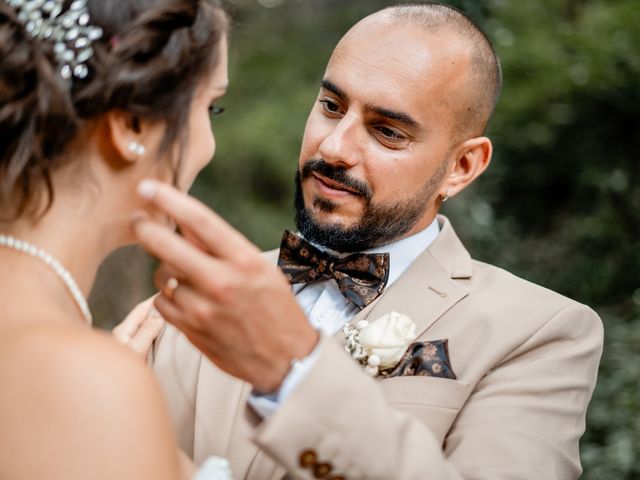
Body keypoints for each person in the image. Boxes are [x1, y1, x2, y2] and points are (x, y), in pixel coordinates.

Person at [127, 3, 603, 480]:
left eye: (387, 132)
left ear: (462, 168)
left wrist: (293, 374)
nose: (334, 147)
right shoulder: (193, 294)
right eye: (331, 107)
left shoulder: (539, 334)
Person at [0, 0, 234, 478]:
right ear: (132, 125)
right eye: (210, 106)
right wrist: (107, 396)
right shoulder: (88, 382)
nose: (209, 144)